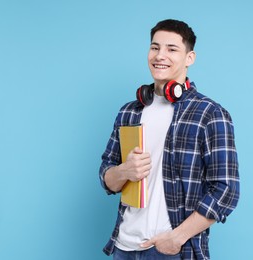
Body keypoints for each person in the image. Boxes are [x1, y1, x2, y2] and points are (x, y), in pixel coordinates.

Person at [99, 19, 239, 259]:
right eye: (155, 47)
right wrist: (124, 171)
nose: (160, 55)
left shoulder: (210, 113)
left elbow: (226, 190)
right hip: (123, 247)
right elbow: (106, 178)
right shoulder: (129, 112)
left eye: (171, 49)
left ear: (189, 58)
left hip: (172, 251)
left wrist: (177, 238)